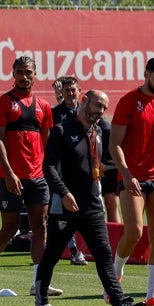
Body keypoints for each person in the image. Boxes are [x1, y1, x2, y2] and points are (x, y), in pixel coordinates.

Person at [33, 89, 146, 306]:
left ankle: (118, 305)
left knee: (104, 254)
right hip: (65, 206)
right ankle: (41, 304)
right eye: (97, 105)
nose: (101, 111)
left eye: (104, 108)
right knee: (52, 254)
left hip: (92, 205)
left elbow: (110, 156)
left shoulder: (98, 130)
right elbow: (49, 167)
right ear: (84, 101)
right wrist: (63, 193)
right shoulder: (61, 130)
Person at [0, 55, 58, 298]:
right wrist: (9, 173)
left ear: (35, 75)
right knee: (9, 228)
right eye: (20, 72)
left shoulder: (43, 106)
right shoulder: (3, 103)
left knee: (40, 227)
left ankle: (39, 281)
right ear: (13, 74)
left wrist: (50, 174)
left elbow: (48, 144)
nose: (24, 77)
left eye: (29, 72)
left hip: (37, 177)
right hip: (10, 177)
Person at [109, 55, 154, 306]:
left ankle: (152, 297)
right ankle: (115, 276)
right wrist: (126, 174)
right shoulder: (129, 101)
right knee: (134, 232)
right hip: (133, 177)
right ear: (147, 73)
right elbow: (114, 143)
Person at [51, 77, 89, 266]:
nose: (70, 93)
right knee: (63, 210)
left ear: (79, 90)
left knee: (90, 206)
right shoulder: (55, 113)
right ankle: (73, 251)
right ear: (62, 93)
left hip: (84, 167)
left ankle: (92, 246)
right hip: (61, 168)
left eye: (73, 90)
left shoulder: (86, 111)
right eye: (66, 90)